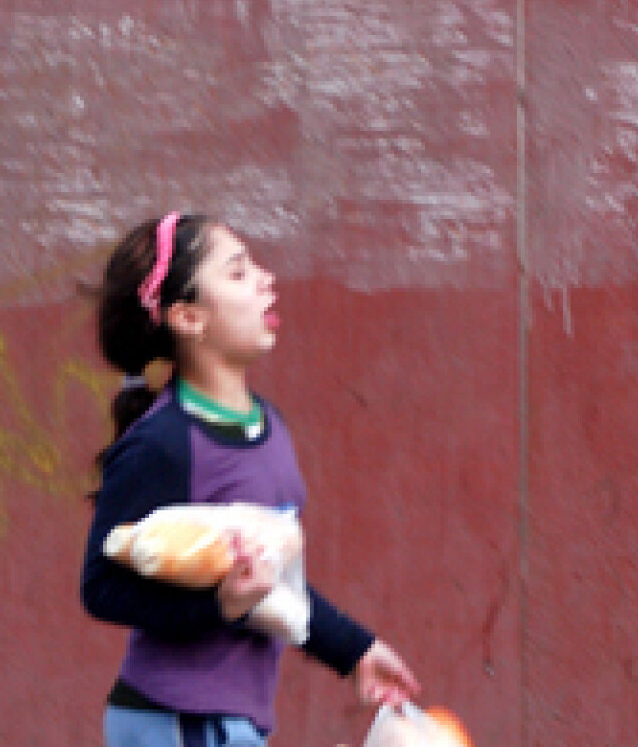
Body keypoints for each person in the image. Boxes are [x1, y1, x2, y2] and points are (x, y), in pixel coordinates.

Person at [82, 212, 420, 746]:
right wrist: (217, 607)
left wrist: (354, 650)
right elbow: (100, 588)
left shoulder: (269, 427)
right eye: (238, 273)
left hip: (225, 724)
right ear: (188, 318)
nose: (266, 280)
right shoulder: (164, 443)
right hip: (178, 719)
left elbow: (272, 585)